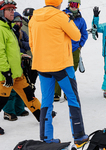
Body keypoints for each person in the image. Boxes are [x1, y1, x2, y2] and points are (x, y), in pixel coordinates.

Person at [29, 0, 88, 146]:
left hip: (42, 66)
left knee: (47, 102)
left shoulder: (34, 16)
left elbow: (31, 42)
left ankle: (46, 138)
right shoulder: (61, 16)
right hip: (61, 65)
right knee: (73, 98)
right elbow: (76, 35)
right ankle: (79, 135)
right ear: (59, 3)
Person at [0, 0, 42, 135]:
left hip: (17, 73)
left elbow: (10, 50)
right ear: (2, 12)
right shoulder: (0, 29)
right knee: (1, 101)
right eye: (9, 9)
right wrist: (6, 72)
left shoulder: (8, 28)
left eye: (13, 9)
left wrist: (20, 55)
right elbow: (0, 53)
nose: (13, 12)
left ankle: (43, 118)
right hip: (6, 76)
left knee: (29, 95)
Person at [54, 0, 88, 102]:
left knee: (71, 71)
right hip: (62, 48)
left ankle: (67, 93)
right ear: (68, 5)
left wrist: (80, 45)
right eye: (72, 4)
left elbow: (84, 34)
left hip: (74, 49)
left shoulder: (81, 20)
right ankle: (56, 92)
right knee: (59, 70)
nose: (74, 7)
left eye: (76, 5)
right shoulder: (62, 15)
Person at [2, 11, 30, 121]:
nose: (17, 24)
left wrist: (23, 46)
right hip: (9, 65)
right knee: (10, 90)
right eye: (15, 21)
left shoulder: (22, 33)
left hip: (20, 63)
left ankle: (19, 109)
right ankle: (8, 111)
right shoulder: (8, 32)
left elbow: (29, 43)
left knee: (22, 88)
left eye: (19, 21)